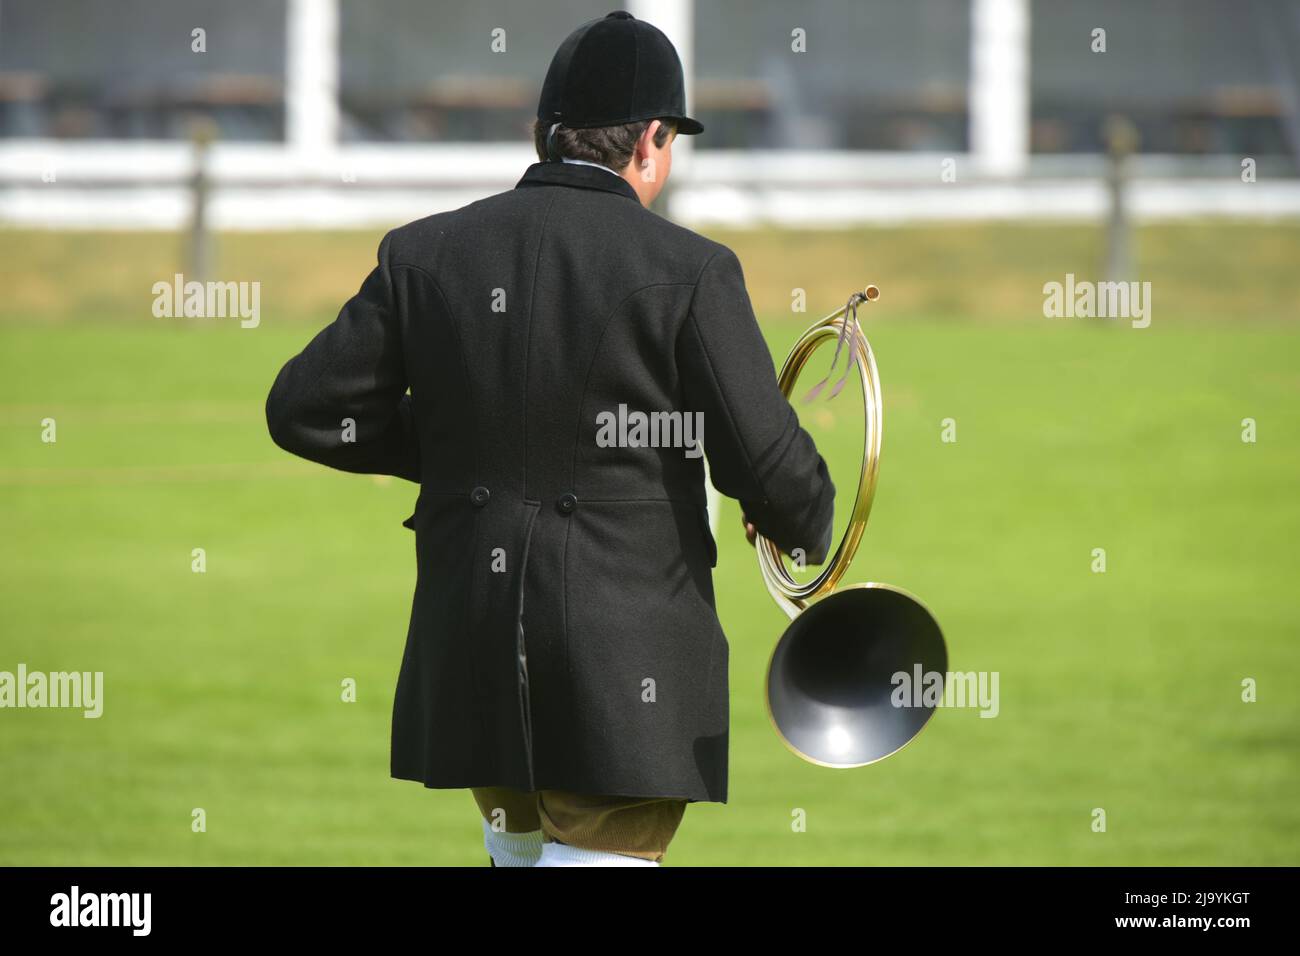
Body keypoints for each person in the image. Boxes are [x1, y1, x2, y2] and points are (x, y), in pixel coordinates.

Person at [264, 10, 835, 867]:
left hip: (476, 638)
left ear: (545, 134)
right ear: (649, 140)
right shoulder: (693, 270)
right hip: (621, 658)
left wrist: (472, 445)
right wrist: (809, 520)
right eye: (670, 140)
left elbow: (303, 407)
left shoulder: (425, 250)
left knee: (519, 858)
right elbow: (770, 469)